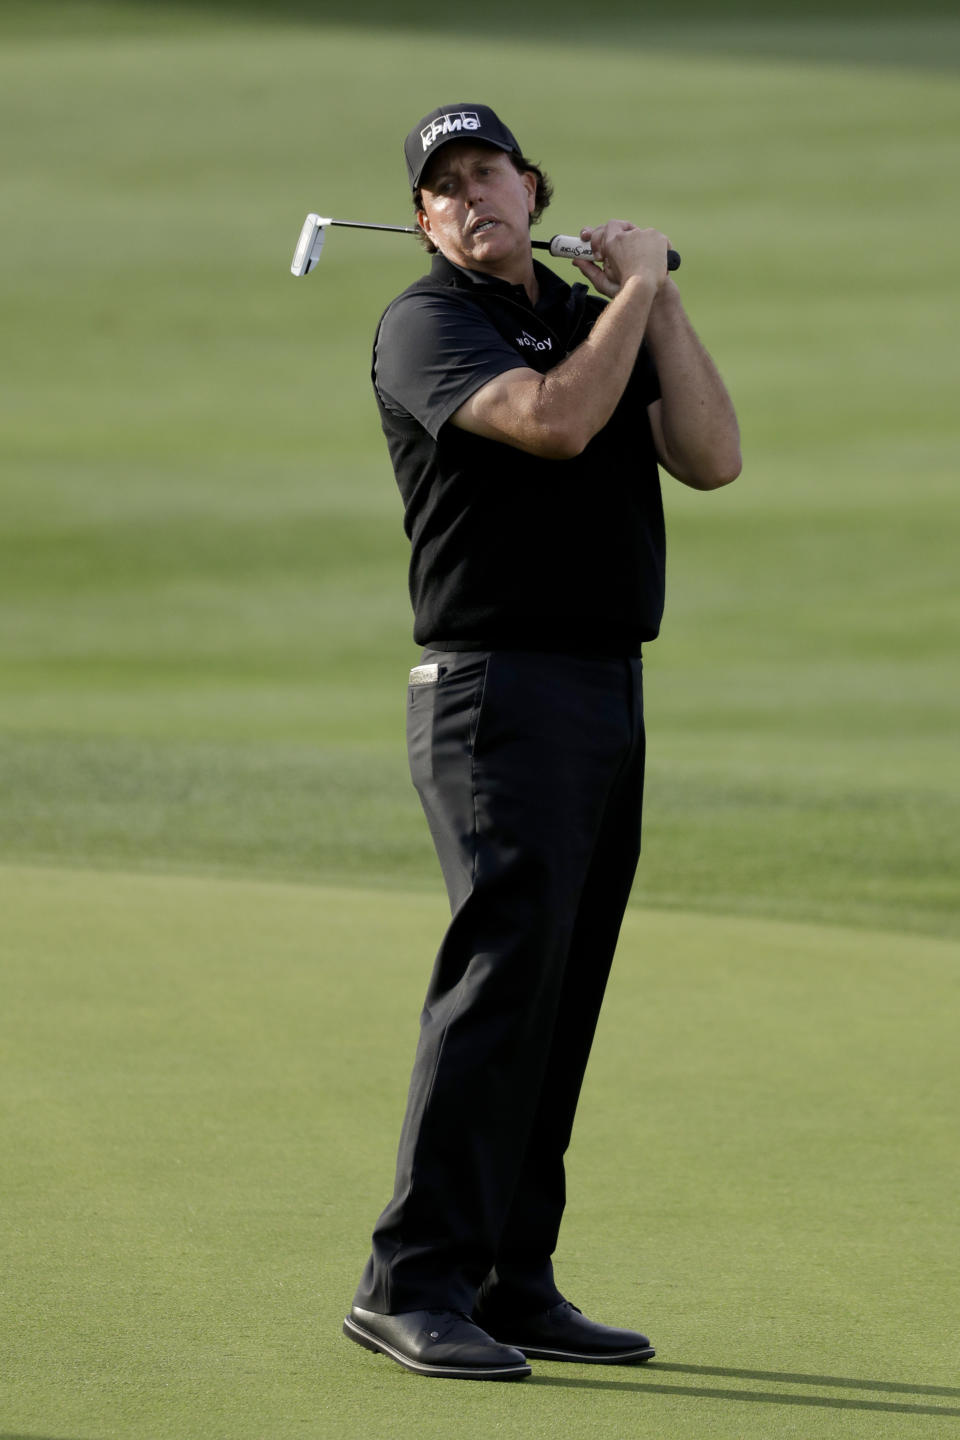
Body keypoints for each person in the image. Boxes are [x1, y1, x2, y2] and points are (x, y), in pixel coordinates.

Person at [343, 103, 741, 1382]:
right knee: (505, 973)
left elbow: (713, 457)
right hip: (491, 687)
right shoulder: (427, 323)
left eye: (487, 173)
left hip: (603, 686)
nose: (469, 197)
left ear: (532, 186)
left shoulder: (580, 316)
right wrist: (635, 289)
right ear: (423, 220)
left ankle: (513, 1278)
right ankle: (409, 1281)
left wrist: (650, 301)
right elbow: (556, 424)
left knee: (560, 988)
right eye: (443, 187)